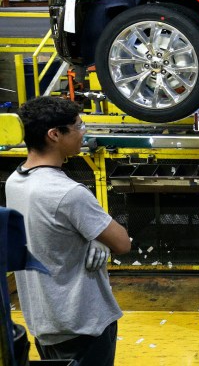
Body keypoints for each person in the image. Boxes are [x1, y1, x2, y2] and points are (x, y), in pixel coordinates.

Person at [5, 96, 131, 365]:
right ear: (54, 135)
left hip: (44, 321)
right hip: (82, 323)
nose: (84, 132)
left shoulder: (15, 181)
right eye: (78, 126)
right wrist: (103, 240)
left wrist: (96, 239)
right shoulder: (69, 193)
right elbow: (122, 243)